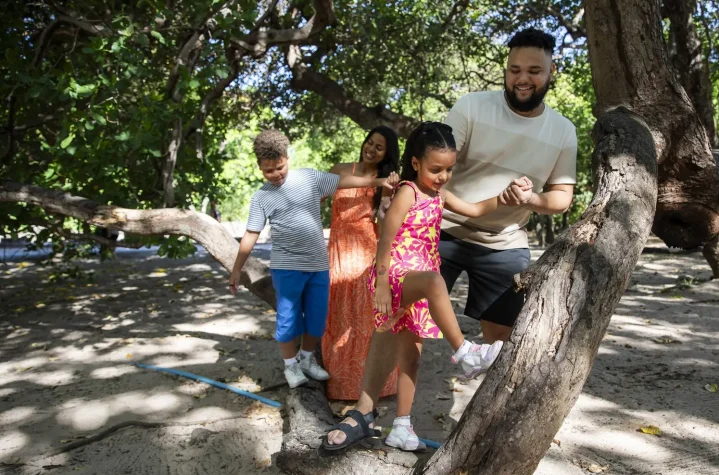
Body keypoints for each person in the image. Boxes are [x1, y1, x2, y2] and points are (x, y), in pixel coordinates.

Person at [323, 122, 533, 451]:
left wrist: (505, 197)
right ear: (417, 162)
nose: (443, 176)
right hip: (395, 274)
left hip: (420, 275)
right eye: (436, 169)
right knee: (437, 283)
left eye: (449, 169)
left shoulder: (439, 195)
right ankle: (465, 352)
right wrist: (379, 282)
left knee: (412, 355)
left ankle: (402, 427)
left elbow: (476, 210)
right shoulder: (408, 190)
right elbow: (386, 238)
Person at [439, 27, 577, 343]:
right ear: (506, 70)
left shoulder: (563, 131)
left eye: (533, 71)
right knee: (409, 321)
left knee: (502, 337)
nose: (522, 79)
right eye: (514, 70)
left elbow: (562, 198)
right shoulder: (470, 106)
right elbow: (438, 166)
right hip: (443, 229)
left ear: (552, 71)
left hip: (504, 242)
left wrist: (530, 199)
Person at [228, 129, 396, 389]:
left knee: (317, 318)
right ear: (260, 168)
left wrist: (379, 182)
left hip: (318, 264)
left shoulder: (309, 177)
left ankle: (307, 359)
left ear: (287, 158)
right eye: (268, 171)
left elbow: (344, 183)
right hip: (287, 267)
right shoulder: (262, 196)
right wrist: (237, 268)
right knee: (288, 319)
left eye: (280, 167)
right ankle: (290, 365)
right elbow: (251, 233)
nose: (276, 174)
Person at [321, 126, 401, 401]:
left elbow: (382, 219)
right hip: (338, 251)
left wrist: (388, 195)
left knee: (364, 319)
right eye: (370, 142)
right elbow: (326, 187)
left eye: (380, 147)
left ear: (386, 155)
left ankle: (372, 387)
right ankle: (339, 385)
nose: (372, 148)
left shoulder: (387, 181)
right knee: (337, 315)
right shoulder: (342, 168)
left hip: (365, 252)